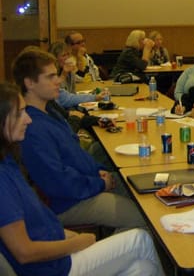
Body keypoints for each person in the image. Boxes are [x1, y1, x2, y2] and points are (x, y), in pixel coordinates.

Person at [0, 83, 164, 276]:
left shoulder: (9, 162)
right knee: (141, 239)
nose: (27, 119)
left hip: (59, 251)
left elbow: (41, 222)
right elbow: (24, 252)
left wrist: (71, 237)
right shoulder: (3, 179)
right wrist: (77, 243)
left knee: (143, 268)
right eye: (19, 113)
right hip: (56, 268)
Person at [12, 48, 146, 230]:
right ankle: (116, 254)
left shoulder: (51, 112)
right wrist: (99, 183)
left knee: (142, 190)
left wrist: (98, 172)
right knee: (140, 217)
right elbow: (57, 181)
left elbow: (76, 155)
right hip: (68, 203)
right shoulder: (32, 127)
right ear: (29, 83)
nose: (58, 81)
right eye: (50, 77)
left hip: (85, 185)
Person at [48, 42, 104, 109]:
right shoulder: (50, 74)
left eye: (68, 54)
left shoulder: (69, 72)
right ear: (55, 58)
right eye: (64, 55)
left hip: (69, 108)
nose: (67, 58)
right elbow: (61, 97)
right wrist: (64, 74)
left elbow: (72, 94)